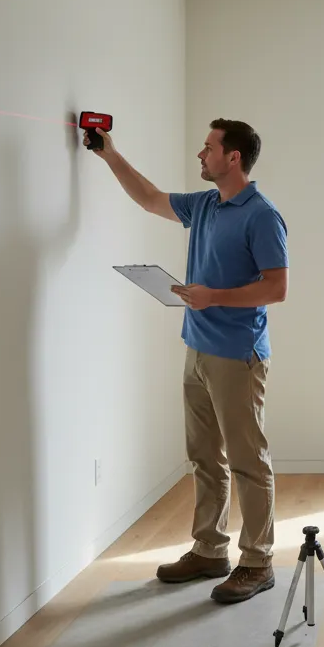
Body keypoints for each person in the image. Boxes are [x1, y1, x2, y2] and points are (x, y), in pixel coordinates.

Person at [85, 119, 288, 604]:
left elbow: (276, 288)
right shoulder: (204, 205)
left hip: (237, 355)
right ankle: (210, 550)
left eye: (208, 147)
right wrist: (109, 153)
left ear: (232, 157)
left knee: (246, 460)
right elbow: (150, 198)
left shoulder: (261, 215)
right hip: (197, 348)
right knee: (203, 457)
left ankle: (257, 562)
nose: (201, 154)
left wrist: (213, 295)